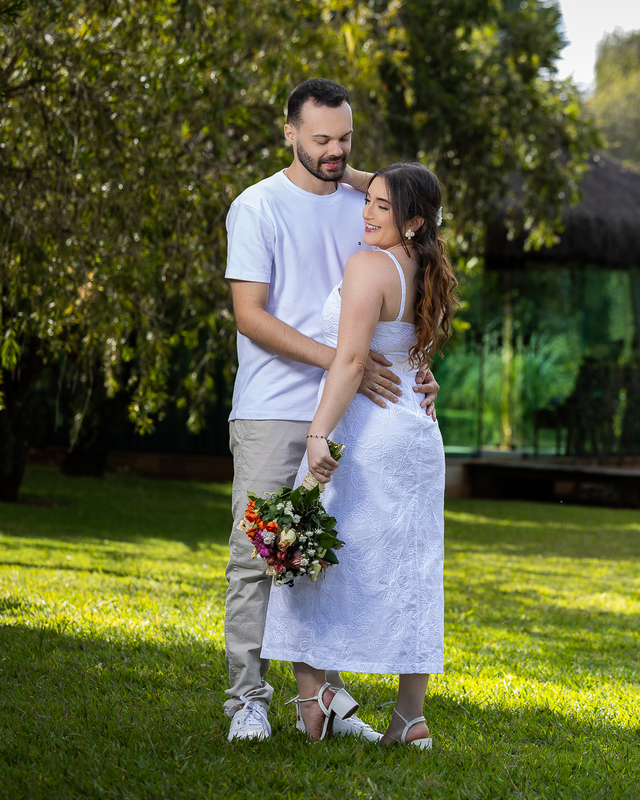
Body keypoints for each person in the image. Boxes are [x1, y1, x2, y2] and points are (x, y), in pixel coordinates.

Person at [223, 79, 440, 742]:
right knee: (262, 554)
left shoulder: (364, 205)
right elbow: (249, 314)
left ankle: (324, 701)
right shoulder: (257, 206)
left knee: (330, 562)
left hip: (356, 414)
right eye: (321, 139)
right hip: (276, 405)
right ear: (289, 133)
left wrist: (411, 366)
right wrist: (345, 361)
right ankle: (248, 700)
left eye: (345, 139)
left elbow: (417, 210)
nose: (335, 151)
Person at [260, 162, 457, 748]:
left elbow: (349, 361)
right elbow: (412, 351)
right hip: (418, 433)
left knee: (307, 548)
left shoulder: (370, 265)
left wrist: (318, 434)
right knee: (414, 571)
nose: (367, 213)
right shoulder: (426, 264)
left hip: (368, 433)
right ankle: (409, 719)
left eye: (381, 206)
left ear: (413, 220)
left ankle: (313, 695)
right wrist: (346, 172)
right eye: (366, 200)